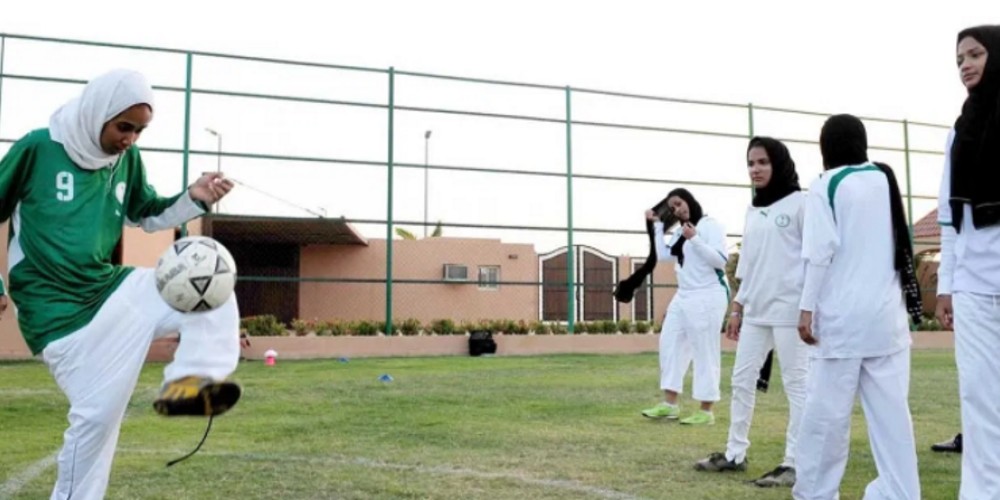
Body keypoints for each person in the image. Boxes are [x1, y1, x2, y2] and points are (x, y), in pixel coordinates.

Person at [0, 69, 242, 499]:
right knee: (97, 422)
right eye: (123, 127)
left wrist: (195, 196)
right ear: (97, 114)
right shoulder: (38, 147)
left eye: (140, 130)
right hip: (55, 315)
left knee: (212, 282)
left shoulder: (126, 160)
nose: (130, 138)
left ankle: (192, 384)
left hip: (109, 291)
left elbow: (146, 213)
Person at [792, 114, 922, 499]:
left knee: (824, 425)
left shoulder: (825, 185)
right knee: (893, 423)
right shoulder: (886, 178)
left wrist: (805, 309)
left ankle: (815, 495)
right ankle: (900, 494)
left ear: (825, 147)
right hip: (888, 324)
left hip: (841, 325)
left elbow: (819, 254)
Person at [693, 137, 809, 488]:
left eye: (762, 162)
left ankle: (795, 463)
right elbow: (749, 262)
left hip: (791, 311)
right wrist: (737, 307)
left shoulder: (802, 203)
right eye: (751, 163)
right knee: (741, 381)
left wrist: (810, 307)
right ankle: (734, 454)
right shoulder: (753, 209)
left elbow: (815, 258)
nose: (755, 169)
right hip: (756, 311)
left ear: (779, 164)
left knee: (798, 387)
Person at [934, 25, 1000, 498]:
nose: (965, 65)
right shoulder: (959, 133)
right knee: (979, 400)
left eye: (975, 54)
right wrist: (947, 285)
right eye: (959, 59)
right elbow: (949, 218)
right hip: (975, 290)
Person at [640, 188, 729, 425]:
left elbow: (720, 261)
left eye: (679, 203)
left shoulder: (710, 225)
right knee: (669, 343)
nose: (677, 209)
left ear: (688, 200)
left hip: (709, 292)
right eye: (672, 208)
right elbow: (664, 255)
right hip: (684, 294)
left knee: (704, 350)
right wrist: (657, 226)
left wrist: (696, 239)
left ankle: (706, 410)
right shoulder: (681, 231)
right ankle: (670, 405)